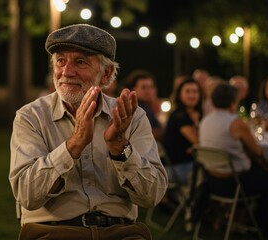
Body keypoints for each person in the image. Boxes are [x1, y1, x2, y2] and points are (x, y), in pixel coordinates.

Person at [9, 24, 167, 240]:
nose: (66, 72)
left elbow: (152, 196)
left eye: (80, 62)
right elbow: (26, 195)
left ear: (106, 74)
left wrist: (120, 149)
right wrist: (73, 145)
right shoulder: (31, 116)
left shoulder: (131, 117)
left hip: (120, 232)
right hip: (54, 232)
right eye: (60, 61)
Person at [199, 82, 268, 237]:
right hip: (235, 183)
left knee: (265, 176)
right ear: (234, 102)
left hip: (212, 180)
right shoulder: (235, 122)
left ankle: (247, 221)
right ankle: (267, 227)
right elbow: (258, 151)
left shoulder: (206, 120)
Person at [163, 78, 203, 183]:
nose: (192, 95)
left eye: (195, 91)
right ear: (180, 95)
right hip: (180, 168)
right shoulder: (179, 116)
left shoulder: (196, 114)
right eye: (187, 91)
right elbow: (198, 141)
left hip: (188, 164)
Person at [124, 70, 163, 141]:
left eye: (151, 87)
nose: (148, 91)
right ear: (132, 89)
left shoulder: (147, 106)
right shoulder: (137, 108)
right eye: (144, 87)